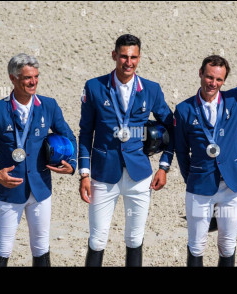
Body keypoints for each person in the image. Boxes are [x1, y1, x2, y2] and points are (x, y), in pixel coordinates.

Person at [174, 25, 237, 267]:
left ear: (224, 81)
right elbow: (181, 150)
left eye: (219, 79)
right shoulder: (184, 109)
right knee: (196, 246)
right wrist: (193, 177)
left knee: (227, 244)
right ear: (200, 73)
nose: (213, 83)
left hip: (232, 185)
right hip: (200, 185)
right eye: (209, 77)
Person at [0, 53, 77, 267]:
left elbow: (70, 137)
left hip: (41, 191)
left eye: (36, 76)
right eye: (27, 78)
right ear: (13, 78)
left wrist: (71, 163)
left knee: (41, 250)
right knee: (3, 251)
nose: (33, 82)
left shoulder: (49, 106)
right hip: (10, 192)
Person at [78, 34, 174, 267]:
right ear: (114, 56)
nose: (128, 62)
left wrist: (164, 166)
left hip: (139, 173)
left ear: (139, 58)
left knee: (134, 238)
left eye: (133, 57)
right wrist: (84, 173)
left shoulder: (151, 89)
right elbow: (85, 132)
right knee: (98, 239)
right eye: (123, 56)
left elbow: (173, 127)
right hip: (102, 173)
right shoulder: (94, 86)